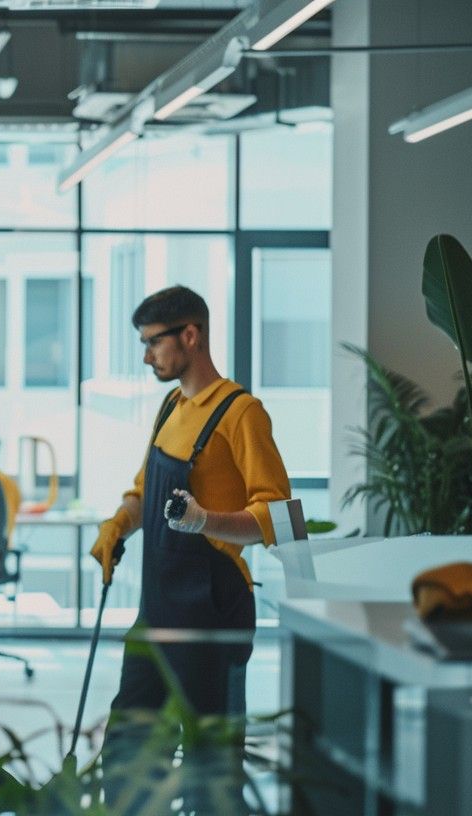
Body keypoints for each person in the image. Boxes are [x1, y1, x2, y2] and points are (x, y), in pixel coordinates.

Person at [87, 286, 289, 805]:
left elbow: (281, 517)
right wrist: (118, 525)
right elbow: (142, 492)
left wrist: (204, 522)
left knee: (210, 762)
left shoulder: (241, 412)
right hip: (156, 607)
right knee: (130, 747)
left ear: (190, 335)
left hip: (212, 607)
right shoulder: (170, 407)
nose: (146, 355)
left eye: (153, 342)